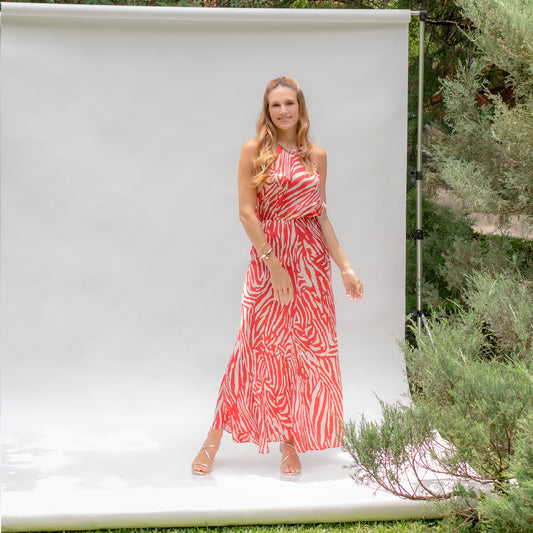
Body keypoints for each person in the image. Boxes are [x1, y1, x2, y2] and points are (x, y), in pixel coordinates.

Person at [191, 76, 363, 476]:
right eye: (275, 105)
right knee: (252, 346)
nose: (283, 111)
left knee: (302, 352)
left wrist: (345, 267)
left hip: (311, 264)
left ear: (300, 106)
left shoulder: (315, 155)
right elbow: (246, 212)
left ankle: (290, 443)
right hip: (271, 259)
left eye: (289, 103)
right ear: (266, 111)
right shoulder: (254, 150)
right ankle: (212, 440)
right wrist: (273, 263)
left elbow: (319, 214)